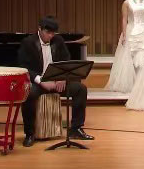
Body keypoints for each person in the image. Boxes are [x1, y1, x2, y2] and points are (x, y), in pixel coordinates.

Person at [18, 16, 93, 147]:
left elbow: (66, 60)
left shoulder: (58, 41)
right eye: (48, 32)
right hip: (39, 83)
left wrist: (62, 77)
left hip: (57, 81)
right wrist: (41, 81)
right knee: (29, 94)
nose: (51, 36)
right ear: (40, 29)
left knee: (80, 89)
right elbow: (23, 67)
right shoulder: (28, 42)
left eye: (53, 33)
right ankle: (29, 134)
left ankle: (76, 129)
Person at [106, 0, 144, 93]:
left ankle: (143, 84)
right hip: (132, 30)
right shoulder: (127, 2)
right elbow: (124, 19)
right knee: (131, 57)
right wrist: (124, 34)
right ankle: (132, 84)